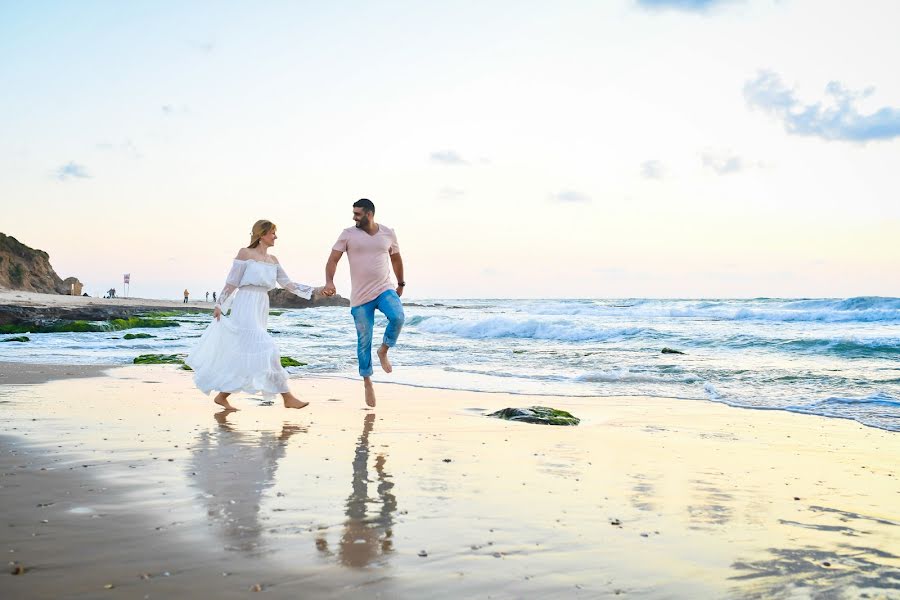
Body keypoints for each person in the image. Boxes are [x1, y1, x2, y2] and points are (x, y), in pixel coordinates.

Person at [185, 219, 321, 411]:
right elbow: (232, 282)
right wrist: (219, 304)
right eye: (273, 232)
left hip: (261, 305)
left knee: (246, 352)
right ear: (262, 234)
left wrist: (318, 290)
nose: (276, 236)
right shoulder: (245, 253)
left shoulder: (273, 260)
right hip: (245, 303)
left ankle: (222, 396)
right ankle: (287, 397)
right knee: (269, 349)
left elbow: (288, 285)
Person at [323, 199, 405, 407]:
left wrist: (401, 282)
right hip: (360, 298)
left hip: (384, 289)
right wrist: (329, 281)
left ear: (369, 214)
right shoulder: (348, 234)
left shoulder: (388, 233)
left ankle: (384, 350)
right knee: (364, 341)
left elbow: (396, 259)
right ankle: (367, 381)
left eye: (357, 214)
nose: (354, 217)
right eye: (354, 213)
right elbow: (333, 259)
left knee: (398, 317)